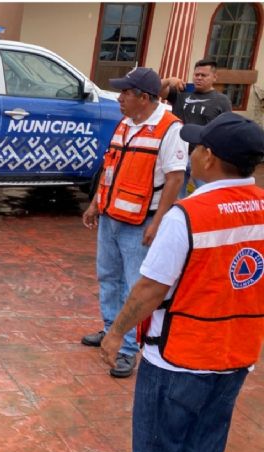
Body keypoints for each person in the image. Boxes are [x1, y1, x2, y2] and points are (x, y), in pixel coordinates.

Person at [100, 112, 264, 452]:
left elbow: (150, 290)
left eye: (196, 146)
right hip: (236, 356)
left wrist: (115, 333)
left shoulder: (187, 215)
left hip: (178, 359)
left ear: (209, 157)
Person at [81, 67, 188, 378]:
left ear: (144, 97)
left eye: (126, 93)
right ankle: (109, 327)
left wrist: (159, 223)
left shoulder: (171, 129)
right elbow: (109, 167)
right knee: (108, 276)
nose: (120, 98)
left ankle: (128, 347)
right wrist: (95, 204)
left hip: (141, 223)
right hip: (111, 216)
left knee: (132, 285)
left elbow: (175, 178)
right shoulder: (125, 124)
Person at [160, 59, 233, 196]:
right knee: (175, 197)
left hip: (203, 156)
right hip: (177, 154)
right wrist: (169, 80)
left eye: (204, 75)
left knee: (205, 195)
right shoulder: (182, 92)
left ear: (214, 77)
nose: (199, 78)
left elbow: (226, 129)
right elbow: (156, 89)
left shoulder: (222, 100)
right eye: (196, 74)